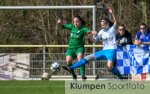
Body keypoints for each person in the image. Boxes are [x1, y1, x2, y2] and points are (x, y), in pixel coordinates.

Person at [62, 7, 124, 79]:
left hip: (111, 51)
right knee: (87, 58)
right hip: (104, 51)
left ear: (107, 24)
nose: (102, 27)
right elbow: (94, 41)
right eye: (101, 25)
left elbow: (115, 21)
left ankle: (122, 79)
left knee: (110, 67)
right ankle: (71, 68)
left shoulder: (112, 29)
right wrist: (90, 37)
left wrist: (111, 12)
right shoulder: (101, 32)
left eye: (104, 25)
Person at [57, 16, 91, 80]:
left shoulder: (83, 29)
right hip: (71, 48)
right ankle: (74, 75)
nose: (75, 23)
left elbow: (88, 31)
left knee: (80, 58)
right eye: (74, 22)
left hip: (79, 48)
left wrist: (91, 32)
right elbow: (63, 26)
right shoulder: (72, 27)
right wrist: (60, 23)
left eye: (77, 21)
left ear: (80, 21)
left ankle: (83, 75)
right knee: (68, 61)